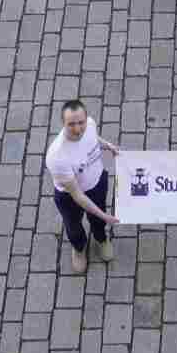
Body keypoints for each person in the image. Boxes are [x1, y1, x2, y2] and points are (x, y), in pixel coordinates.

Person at [46, 100, 120, 273]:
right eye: (71, 124)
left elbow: (93, 137)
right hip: (70, 196)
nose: (78, 129)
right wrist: (105, 215)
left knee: (98, 220)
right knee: (73, 225)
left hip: (97, 182)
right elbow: (78, 195)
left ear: (86, 119)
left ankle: (101, 239)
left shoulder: (90, 125)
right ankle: (79, 249)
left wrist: (107, 145)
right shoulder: (57, 156)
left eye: (81, 123)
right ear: (63, 124)